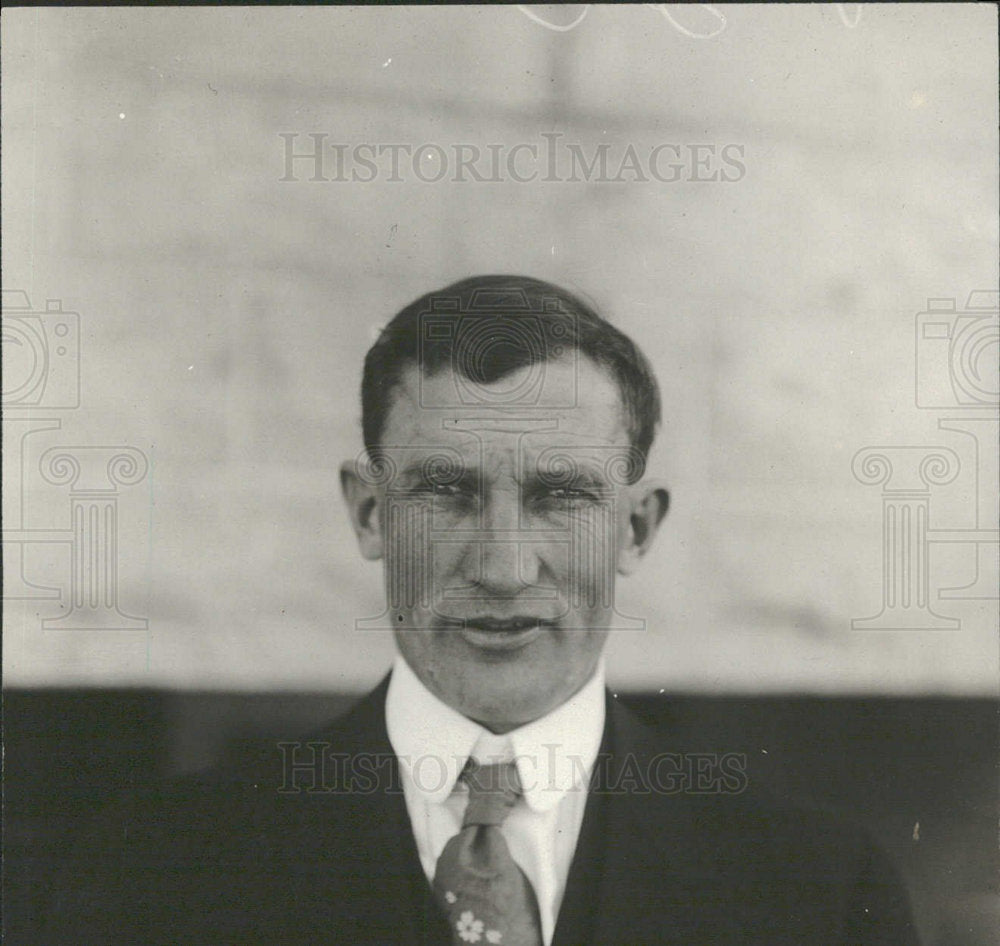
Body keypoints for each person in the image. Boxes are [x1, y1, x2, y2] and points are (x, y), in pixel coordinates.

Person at [44, 275, 920, 945]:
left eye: (560, 497)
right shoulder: (159, 868)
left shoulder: (819, 889)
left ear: (636, 529)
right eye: (447, 493)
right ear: (370, 514)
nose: (503, 567)